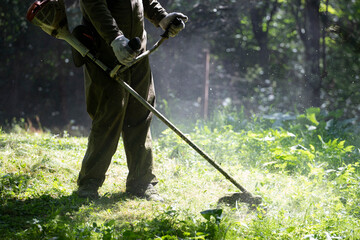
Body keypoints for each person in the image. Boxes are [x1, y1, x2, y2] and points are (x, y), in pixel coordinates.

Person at [76, 0, 188, 201]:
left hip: (138, 51)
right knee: (108, 116)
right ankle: (89, 184)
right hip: (105, 51)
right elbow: (94, 4)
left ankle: (141, 182)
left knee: (140, 113)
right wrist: (115, 38)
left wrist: (162, 17)